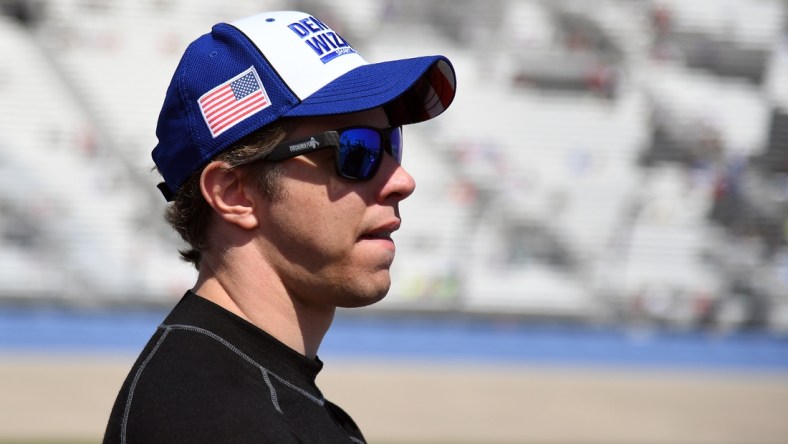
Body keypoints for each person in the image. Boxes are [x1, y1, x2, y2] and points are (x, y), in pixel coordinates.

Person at [103, 10, 456, 444]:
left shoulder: (258, 397)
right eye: (356, 149)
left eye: (391, 143)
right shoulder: (209, 420)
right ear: (234, 193)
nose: (402, 181)